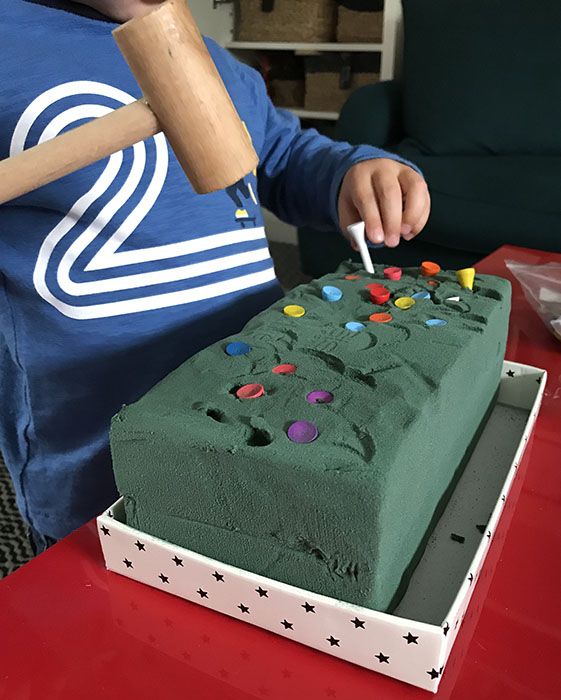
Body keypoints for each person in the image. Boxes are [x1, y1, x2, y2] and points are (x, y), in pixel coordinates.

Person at [0, 0, 430, 553]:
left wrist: (350, 173)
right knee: (96, 596)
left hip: (259, 385)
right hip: (93, 437)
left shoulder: (212, 62)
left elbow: (286, 155)